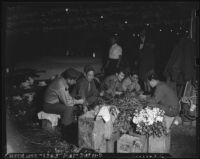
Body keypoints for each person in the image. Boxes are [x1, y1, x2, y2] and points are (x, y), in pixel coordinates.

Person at [43, 68, 84, 145]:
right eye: (74, 80)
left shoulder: (62, 80)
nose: (75, 82)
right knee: (68, 108)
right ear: (69, 79)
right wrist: (78, 101)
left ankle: (70, 125)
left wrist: (73, 100)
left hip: (55, 102)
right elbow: (68, 103)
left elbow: (67, 96)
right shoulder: (61, 85)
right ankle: (66, 133)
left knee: (71, 107)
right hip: (49, 105)